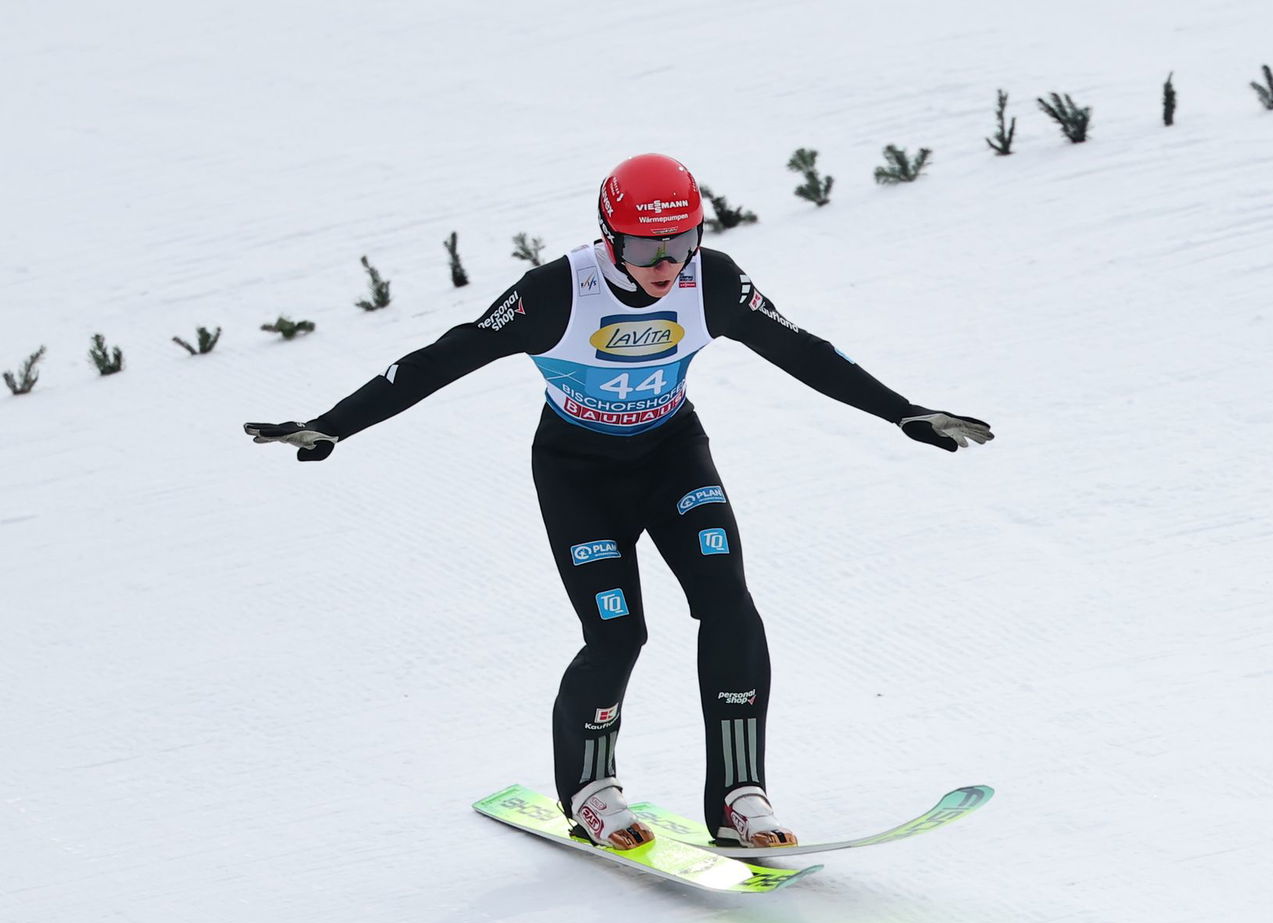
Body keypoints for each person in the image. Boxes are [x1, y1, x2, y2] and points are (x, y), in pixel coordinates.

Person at [244, 153, 992, 851]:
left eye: (684, 243)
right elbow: (444, 356)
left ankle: (739, 798)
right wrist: (336, 424)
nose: (667, 266)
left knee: (729, 605)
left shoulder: (715, 281)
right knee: (618, 635)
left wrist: (902, 411)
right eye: (644, 250)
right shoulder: (554, 294)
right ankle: (591, 791)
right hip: (578, 474)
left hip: (672, 457)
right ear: (608, 240)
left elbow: (804, 350)